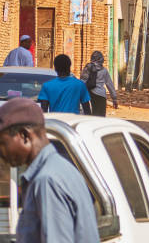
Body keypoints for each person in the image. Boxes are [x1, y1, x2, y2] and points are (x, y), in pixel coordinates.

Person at [0, 97, 99, 242]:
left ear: (24, 136)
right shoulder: (62, 169)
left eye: (3, 143)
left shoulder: (47, 180)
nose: (2, 152)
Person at [79, 51, 118, 117]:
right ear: (101, 59)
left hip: (88, 94)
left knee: (90, 116)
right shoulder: (104, 70)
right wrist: (114, 98)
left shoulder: (87, 68)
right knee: (100, 117)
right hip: (101, 95)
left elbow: (82, 81)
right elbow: (109, 84)